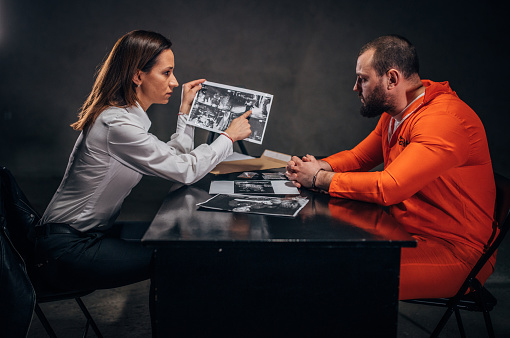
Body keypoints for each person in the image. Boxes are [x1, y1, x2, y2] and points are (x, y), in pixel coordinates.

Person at [33, 29, 252, 327]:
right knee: (176, 259)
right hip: (67, 251)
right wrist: (228, 136)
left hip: (85, 236)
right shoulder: (116, 125)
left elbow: (172, 157)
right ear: (138, 76)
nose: (174, 82)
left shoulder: (121, 119)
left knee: (176, 241)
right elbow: (185, 170)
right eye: (167, 73)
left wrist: (185, 111)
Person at [286, 35, 496, 300]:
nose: (355, 87)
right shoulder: (398, 112)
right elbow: (358, 157)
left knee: (338, 276)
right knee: (317, 256)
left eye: (362, 78)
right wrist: (316, 166)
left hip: (456, 252)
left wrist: (318, 178)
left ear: (392, 79)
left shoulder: (444, 120)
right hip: (401, 230)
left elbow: (389, 187)